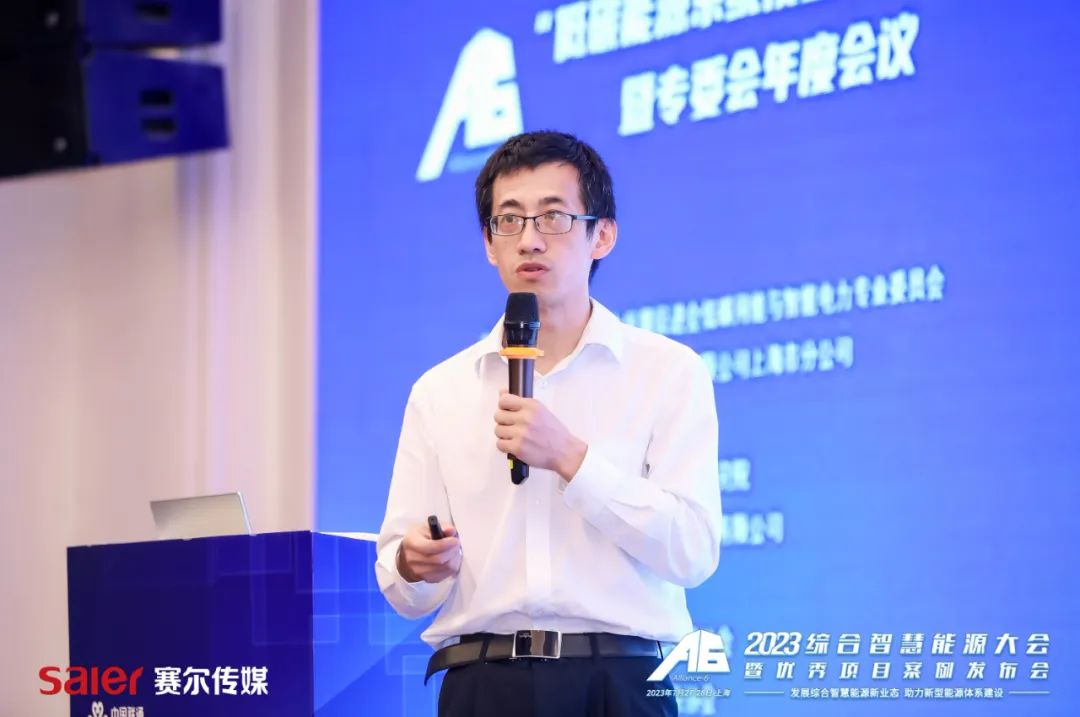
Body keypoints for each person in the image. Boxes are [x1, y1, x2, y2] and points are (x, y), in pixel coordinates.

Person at [375, 130, 722, 717]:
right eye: (509, 220)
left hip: (618, 683)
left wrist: (571, 459)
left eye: (554, 218)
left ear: (601, 235)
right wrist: (414, 563)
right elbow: (404, 586)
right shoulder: (439, 391)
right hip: (482, 684)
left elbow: (692, 551)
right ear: (489, 243)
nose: (529, 239)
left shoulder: (667, 371)